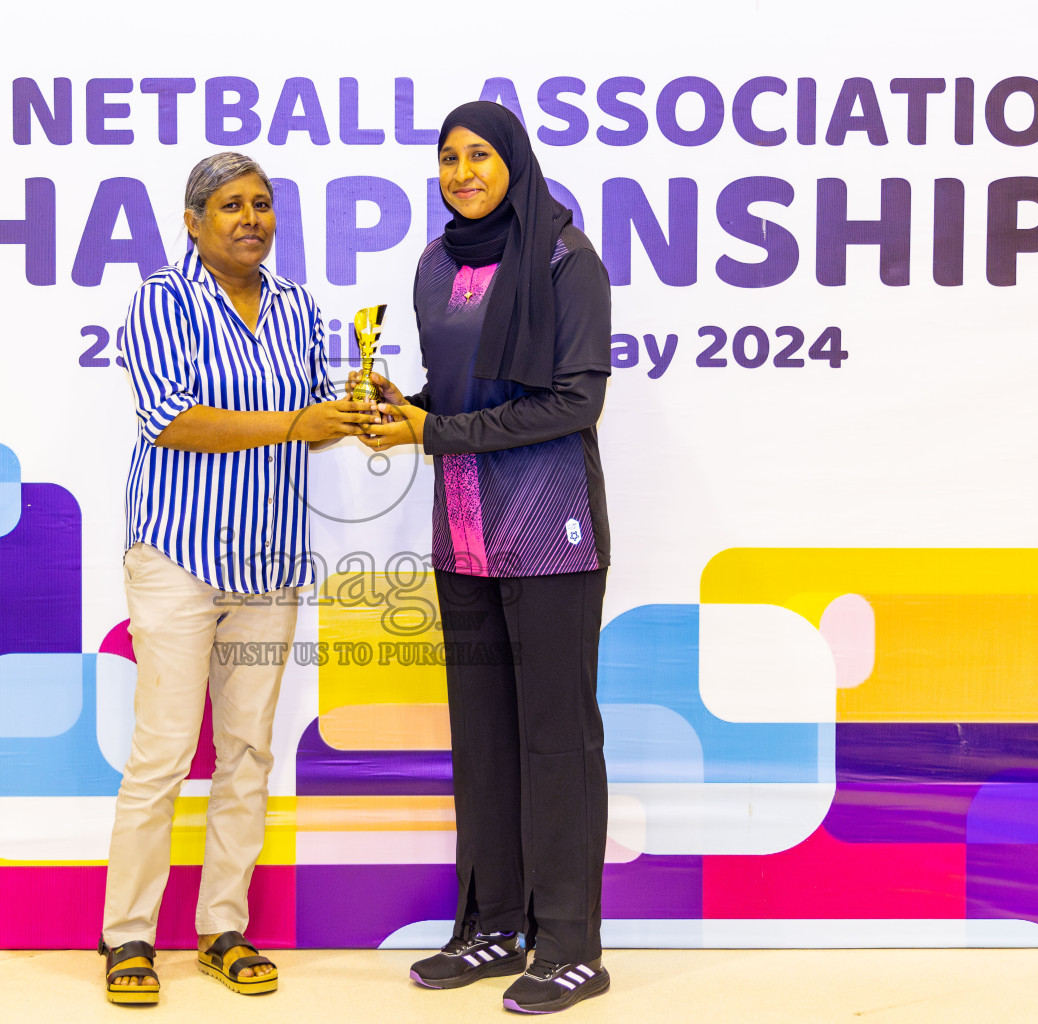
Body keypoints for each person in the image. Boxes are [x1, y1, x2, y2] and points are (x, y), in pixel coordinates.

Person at [358, 101, 614, 1014]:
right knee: (484, 739)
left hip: (550, 533)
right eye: (447, 157)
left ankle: (573, 944)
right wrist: (405, 405)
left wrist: (440, 427)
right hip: (463, 535)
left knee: (557, 739)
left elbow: (571, 403)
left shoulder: (563, 258)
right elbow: (459, 396)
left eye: (479, 155)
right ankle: (496, 925)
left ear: (514, 161)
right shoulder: (437, 266)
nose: (462, 171)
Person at [101, 152, 371, 1006]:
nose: (250, 218)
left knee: (248, 752)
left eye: (262, 205)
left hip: (269, 566)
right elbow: (172, 421)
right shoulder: (161, 300)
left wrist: (354, 410)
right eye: (229, 206)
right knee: (165, 751)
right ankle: (128, 938)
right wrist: (299, 419)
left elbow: (307, 422)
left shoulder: (296, 306)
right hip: (179, 558)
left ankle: (223, 926)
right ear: (192, 221)